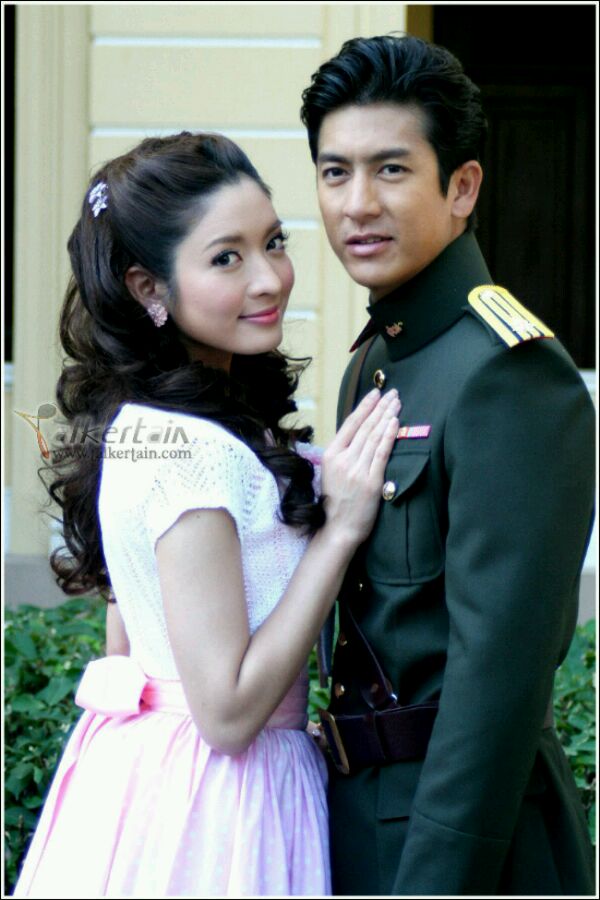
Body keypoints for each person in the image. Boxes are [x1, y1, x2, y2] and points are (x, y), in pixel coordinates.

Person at [13, 131, 402, 898]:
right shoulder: (188, 450)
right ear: (149, 289)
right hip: (221, 800)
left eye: (274, 243)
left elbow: (128, 640)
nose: (269, 278)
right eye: (226, 258)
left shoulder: (152, 425)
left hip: (154, 779)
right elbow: (225, 716)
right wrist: (342, 531)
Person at [300, 34, 596, 896]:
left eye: (391, 170)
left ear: (461, 187)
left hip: (461, 847)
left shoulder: (509, 372)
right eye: (334, 172)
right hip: (359, 818)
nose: (358, 204)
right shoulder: (374, 361)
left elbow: (497, 684)